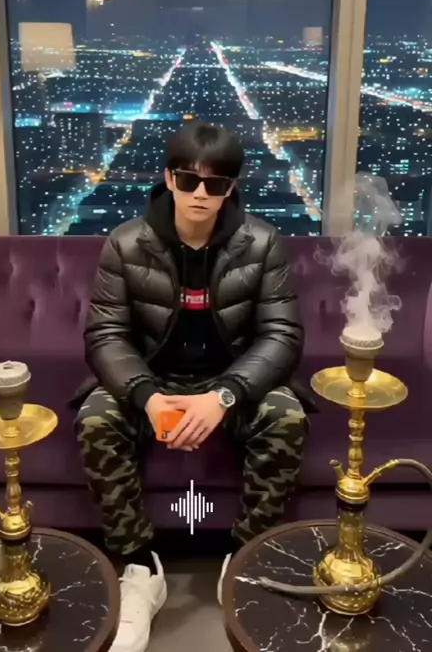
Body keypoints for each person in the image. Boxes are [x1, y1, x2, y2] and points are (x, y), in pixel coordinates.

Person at [74, 121, 307, 652]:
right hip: (150, 377)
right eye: (188, 180)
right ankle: (139, 567)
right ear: (168, 179)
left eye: (216, 183)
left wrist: (223, 396)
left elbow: (282, 336)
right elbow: (105, 336)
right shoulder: (125, 242)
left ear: (232, 187)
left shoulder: (263, 242)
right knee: (96, 420)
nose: (201, 193)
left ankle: (244, 559)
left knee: (287, 418)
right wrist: (148, 398)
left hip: (233, 379)